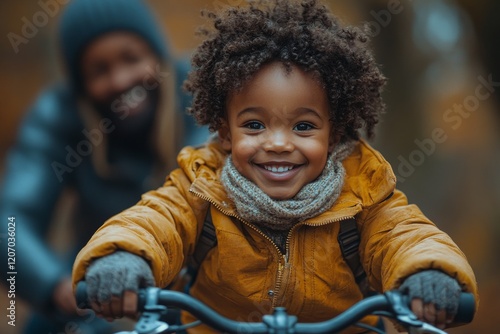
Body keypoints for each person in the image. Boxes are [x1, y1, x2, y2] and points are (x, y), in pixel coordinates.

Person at [72, 0, 479, 333]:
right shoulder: (199, 186)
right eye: (254, 125)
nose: (279, 143)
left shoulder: (364, 193)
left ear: (334, 134)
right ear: (225, 133)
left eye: (303, 126)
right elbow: (155, 220)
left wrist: (427, 274)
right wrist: (123, 257)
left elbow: (405, 235)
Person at [0, 0, 208, 333]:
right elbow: (11, 223)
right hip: (94, 292)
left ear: (157, 55)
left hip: (193, 292)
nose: (121, 79)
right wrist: (52, 285)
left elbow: (210, 179)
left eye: (132, 58)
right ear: (80, 85)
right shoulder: (56, 118)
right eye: (99, 70)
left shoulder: (202, 95)